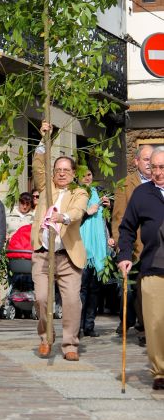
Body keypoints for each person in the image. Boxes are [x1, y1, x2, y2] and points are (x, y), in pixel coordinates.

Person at [31, 122, 88, 360]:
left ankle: (70, 345)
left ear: (73, 173)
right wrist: (45, 138)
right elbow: (38, 167)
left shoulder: (79, 192)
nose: (62, 173)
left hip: (68, 256)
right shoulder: (46, 188)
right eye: (58, 170)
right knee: (42, 298)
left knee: (72, 302)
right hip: (44, 254)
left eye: (66, 170)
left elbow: (77, 212)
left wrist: (62, 217)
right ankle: (45, 338)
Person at [118, 146, 164, 391]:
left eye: (162, 167)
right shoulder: (142, 194)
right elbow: (126, 228)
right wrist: (124, 256)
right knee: (155, 323)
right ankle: (160, 371)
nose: (157, 172)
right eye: (153, 167)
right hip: (153, 266)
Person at [112, 144, 154, 339]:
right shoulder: (125, 184)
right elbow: (119, 217)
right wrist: (123, 248)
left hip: (156, 246)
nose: (149, 163)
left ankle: (147, 327)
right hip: (136, 246)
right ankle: (136, 324)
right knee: (136, 288)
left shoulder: (159, 181)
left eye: (151, 159)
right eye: (145, 159)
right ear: (136, 161)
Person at [78, 168, 114, 338]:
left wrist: (109, 208)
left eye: (89, 175)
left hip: (99, 249)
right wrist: (87, 212)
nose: (87, 178)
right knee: (81, 289)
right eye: (83, 175)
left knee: (95, 289)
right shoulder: (76, 194)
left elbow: (106, 222)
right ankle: (77, 326)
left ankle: (89, 325)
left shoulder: (98, 194)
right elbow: (70, 220)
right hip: (83, 248)